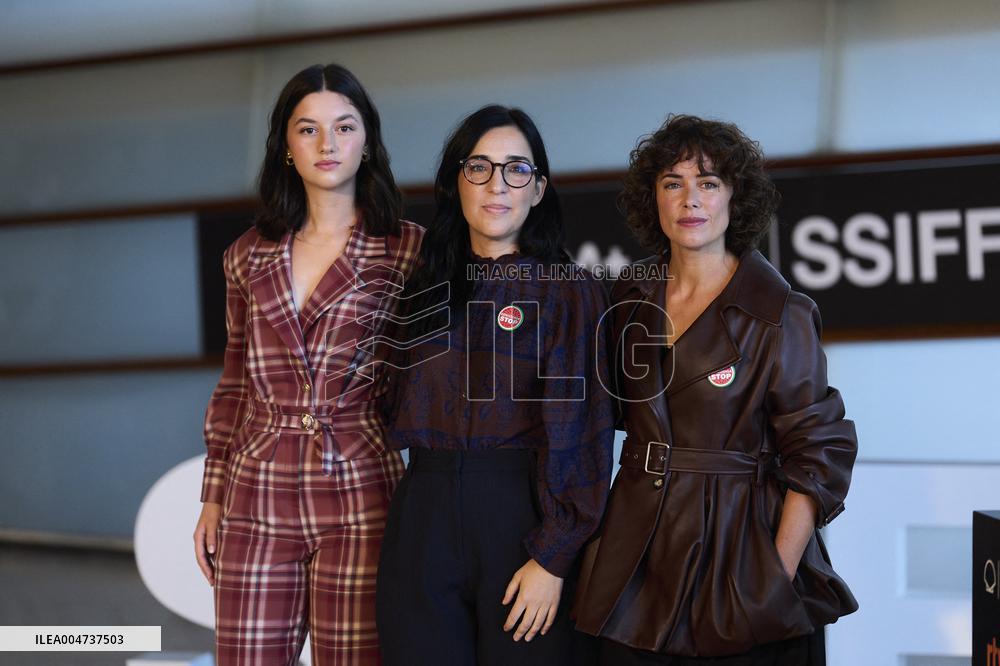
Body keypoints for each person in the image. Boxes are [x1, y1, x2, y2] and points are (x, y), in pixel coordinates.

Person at [574, 115, 859, 665]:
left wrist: (774, 576)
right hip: (634, 556)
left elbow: (818, 455)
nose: (690, 199)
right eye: (672, 183)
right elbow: (590, 416)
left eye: (708, 183)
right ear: (652, 199)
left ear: (735, 198)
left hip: (739, 557)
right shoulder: (624, 297)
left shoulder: (783, 313)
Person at [192, 63, 424, 666]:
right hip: (256, 490)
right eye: (308, 129)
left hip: (363, 488)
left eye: (344, 127)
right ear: (286, 147)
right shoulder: (246, 255)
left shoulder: (409, 248)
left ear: (366, 140)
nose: (327, 145)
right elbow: (235, 383)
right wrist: (213, 497)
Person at [375, 104, 614, 666]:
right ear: (456, 181)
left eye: (517, 169)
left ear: (538, 190)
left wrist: (555, 557)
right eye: (479, 167)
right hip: (423, 509)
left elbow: (585, 435)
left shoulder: (568, 292)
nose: (497, 184)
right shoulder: (419, 289)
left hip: (521, 516)